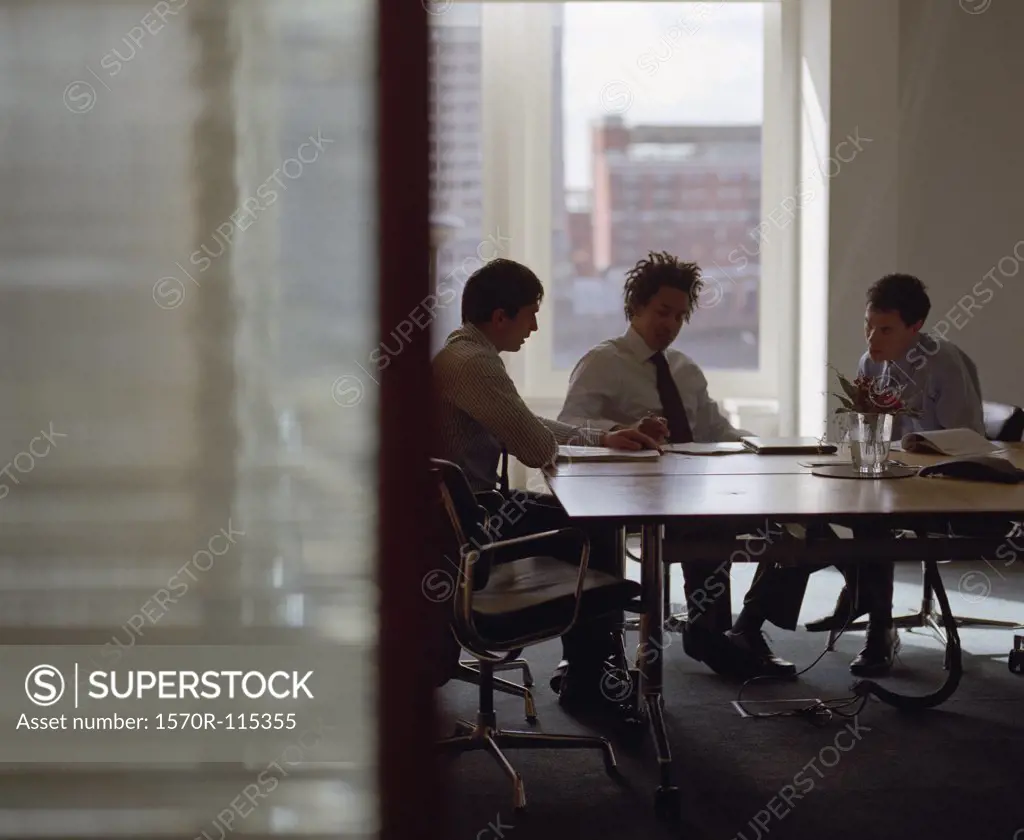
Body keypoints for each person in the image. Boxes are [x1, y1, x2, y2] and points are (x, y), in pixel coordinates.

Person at [558, 251, 798, 680]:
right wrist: (623, 429)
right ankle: (706, 632)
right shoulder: (603, 362)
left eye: (679, 315)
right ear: (635, 307)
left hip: (695, 489)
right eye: (662, 311)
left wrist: (766, 450)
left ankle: (745, 627)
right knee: (710, 524)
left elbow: (716, 430)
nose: (669, 324)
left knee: (799, 528)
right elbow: (568, 425)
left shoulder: (686, 370)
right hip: (633, 498)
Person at [433, 257, 659, 710]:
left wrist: (603, 438)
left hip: (460, 517)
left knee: (578, 518)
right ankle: (592, 679)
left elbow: (523, 423)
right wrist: (586, 441)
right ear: (501, 317)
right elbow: (534, 448)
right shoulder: (474, 364)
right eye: (531, 313)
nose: (534, 327)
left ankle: (590, 665)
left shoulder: (463, 354)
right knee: (591, 526)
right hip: (470, 528)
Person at [736, 273, 986, 676]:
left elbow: (969, 440)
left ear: (916, 325)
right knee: (802, 520)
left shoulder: (944, 363)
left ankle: (876, 629)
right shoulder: (870, 362)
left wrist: (919, 445)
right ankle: (848, 596)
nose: (872, 337)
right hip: (884, 482)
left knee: (871, 526)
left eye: (885, 329)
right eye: (868, 325)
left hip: (937, 490)